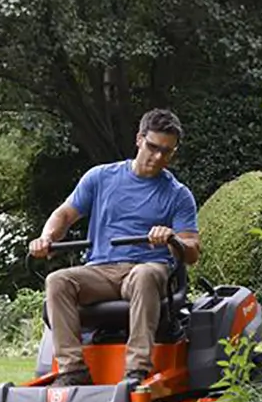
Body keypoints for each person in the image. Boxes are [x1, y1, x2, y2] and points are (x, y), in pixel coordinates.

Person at [28, 109, 201, 386]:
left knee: (144, 275)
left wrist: (171, 239)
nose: (158, 158)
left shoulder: (178, 194)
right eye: (153, 147)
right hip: (101, 270)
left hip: (147, 270)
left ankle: (137, 371)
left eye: (167, 152)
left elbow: (191, 251)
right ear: (139, 139)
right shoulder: (100, 178)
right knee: (57, 280)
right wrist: (46, 238)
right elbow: (64, 215)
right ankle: (73, 372)